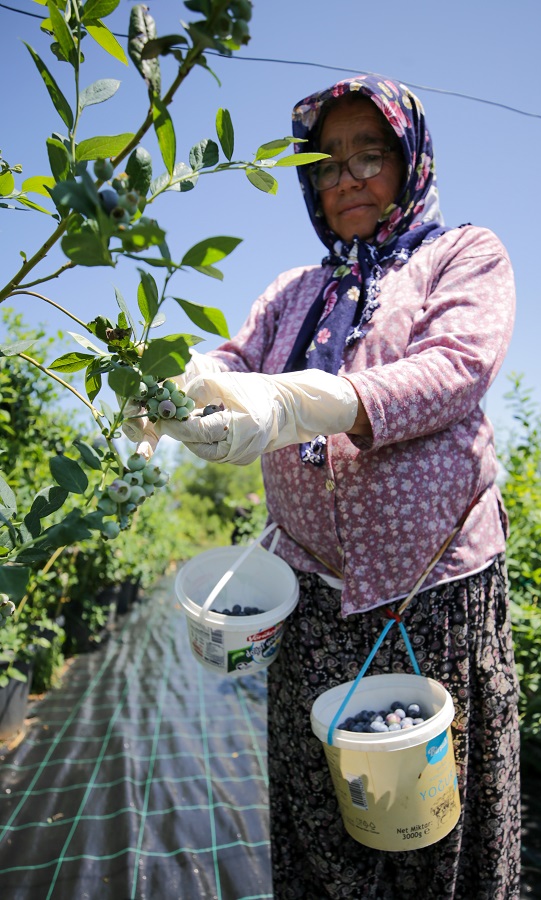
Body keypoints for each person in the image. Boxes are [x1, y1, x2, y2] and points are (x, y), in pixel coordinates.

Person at [126, 75, 520, 899]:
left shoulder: (463, 255)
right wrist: (179, 386)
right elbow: (232, 363)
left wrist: (309, 401)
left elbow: (454, 370)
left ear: (409, 162)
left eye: (368, 155)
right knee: (324, 819)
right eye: (327, 164)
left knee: (428, 815)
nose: (346, 179)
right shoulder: (294, 293)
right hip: (310, 604)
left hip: (434, 600)